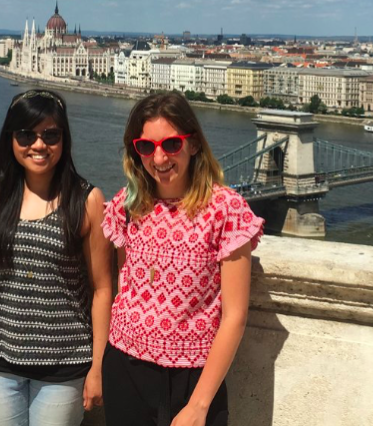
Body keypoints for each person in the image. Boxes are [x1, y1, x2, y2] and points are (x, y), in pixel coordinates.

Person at [0, 89, 112, 426]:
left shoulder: (87, 200)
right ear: (11, 138)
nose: (38, 145)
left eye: (50, 135)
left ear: (63, 139)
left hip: (64, 366)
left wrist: (98, 366)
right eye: (26, 135)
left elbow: (102, 289)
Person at [100, 92, 264, 426]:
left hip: (193, 380)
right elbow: (125, 286)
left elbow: (235, 315)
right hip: (124, 369)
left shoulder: (225, 210)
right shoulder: (127, 205)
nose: (159, 158)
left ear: (193, 144)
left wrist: (199, 405)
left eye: (171, 144)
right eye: (146, 147)